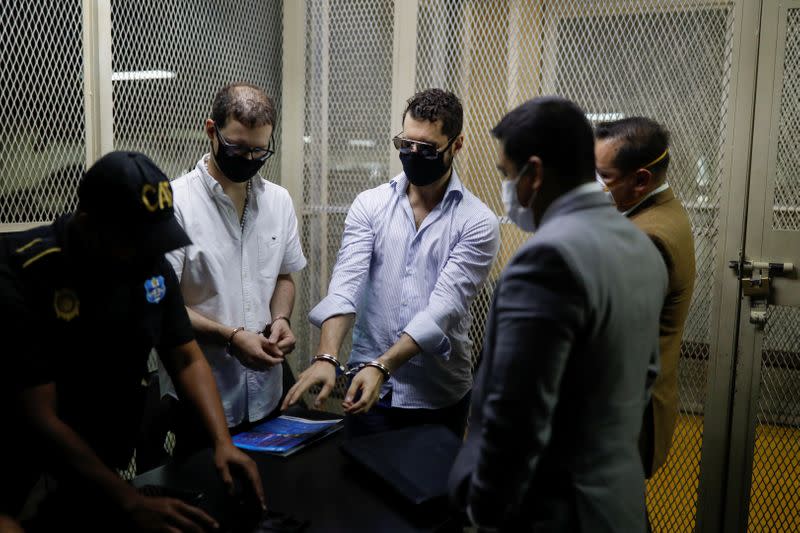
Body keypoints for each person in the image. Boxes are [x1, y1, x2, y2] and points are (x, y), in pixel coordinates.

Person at [0, 151, 264, 531]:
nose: (150, 254)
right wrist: (129, 502)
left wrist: (222, 442)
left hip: (94, 464)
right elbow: (39, 416)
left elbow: (185, 357)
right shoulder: (23, 273)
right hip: (21, 464)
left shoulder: (148, 266)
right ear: (89, 225)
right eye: (136, 240)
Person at [448, 97, 668, 532]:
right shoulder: (640, 244)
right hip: (617, 501)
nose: (507, 189)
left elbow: (517, 416)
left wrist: (482, 513)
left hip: (552, 510)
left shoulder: (545, 259)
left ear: (534, 173)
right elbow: (645, 374)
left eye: (507, 175)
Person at [282, 88, 499, 437]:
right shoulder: (371, 205)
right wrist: (327, 356)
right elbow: (346, 287)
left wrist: (383, 365)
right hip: (370, 391)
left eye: (427, 148)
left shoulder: (476, 221)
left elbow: (442, 310)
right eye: (406, 144)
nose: (413, 154)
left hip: (436, 396)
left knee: (429, 489)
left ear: (456, 145)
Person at [159, 83, 306, 456]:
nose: (249, 158)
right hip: (202, 398)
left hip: (266, 394)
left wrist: (282, 319)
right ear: (212, 131)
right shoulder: (175, 204)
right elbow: (165, 305)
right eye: (238, 148)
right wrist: (230, 336)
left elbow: (284, 276)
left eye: (259, 150)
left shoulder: (278, 201)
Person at [595, 117, 696, 478]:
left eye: (603, 176)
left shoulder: (646, 239)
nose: (593, 185)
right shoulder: (659, 212)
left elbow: (607, 334)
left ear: (640, 180)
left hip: (623, 415)